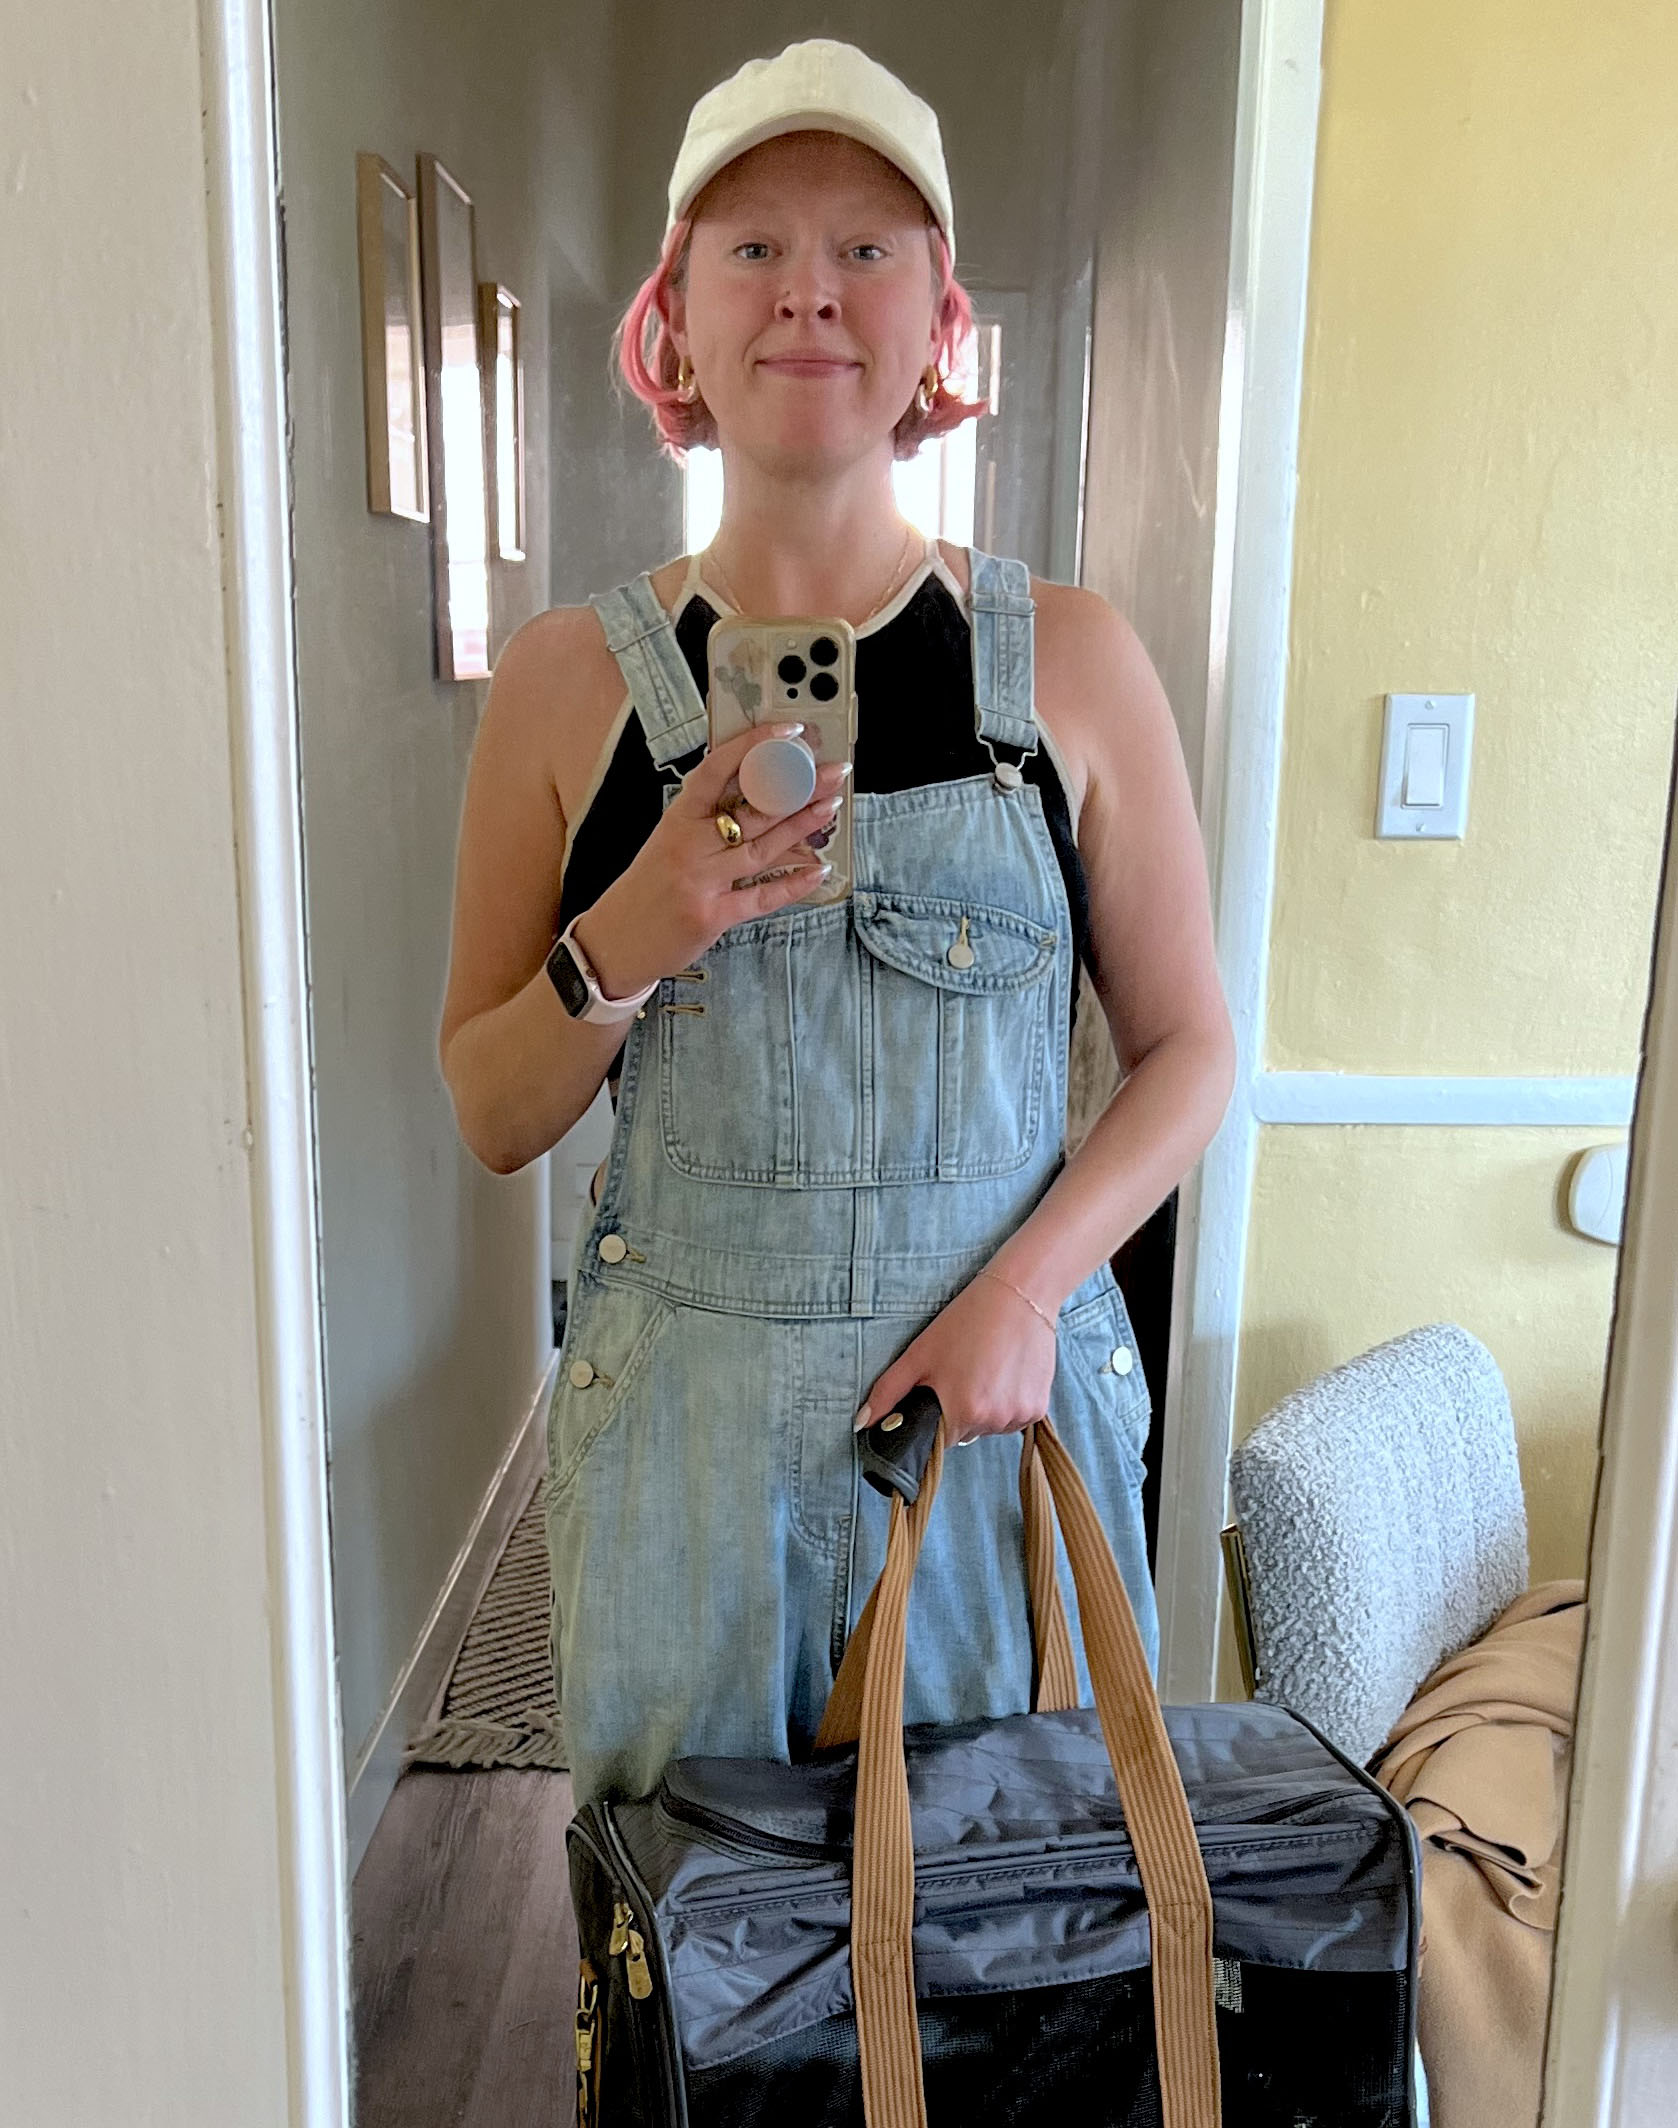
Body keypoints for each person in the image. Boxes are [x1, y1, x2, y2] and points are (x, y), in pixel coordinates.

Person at [438, 38, 1234, 1807]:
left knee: (1009, 1964)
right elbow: (492, 1112)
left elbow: (1191, 1052)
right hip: (680, 1451)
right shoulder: (567, 686)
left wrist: (1028, 1288)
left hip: (994, 1428)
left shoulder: (1072, 667)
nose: (811, 290)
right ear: (676, 326)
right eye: (754, 247)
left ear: (941, 317)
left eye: (869, 247)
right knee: (699, 1985)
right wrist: (628, 935)